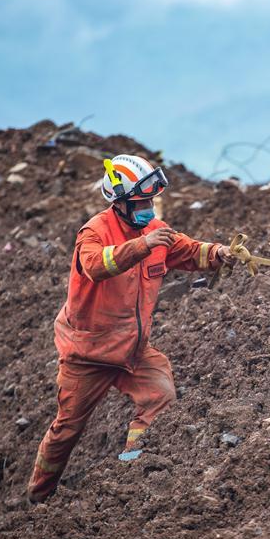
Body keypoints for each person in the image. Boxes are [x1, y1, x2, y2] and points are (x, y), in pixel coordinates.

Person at [27, 154, 235, 503]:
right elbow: (94, 265)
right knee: (67, 429)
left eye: (150, 201)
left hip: (132, 349)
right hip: (88, 354)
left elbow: (188, 250)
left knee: (160, 395)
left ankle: (132, 469)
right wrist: (141, 247)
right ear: (119, 202)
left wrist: (219, 252)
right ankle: (38, 496)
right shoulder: (95, 232)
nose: (148, 209)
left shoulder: (154, 231)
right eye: (140, 202)